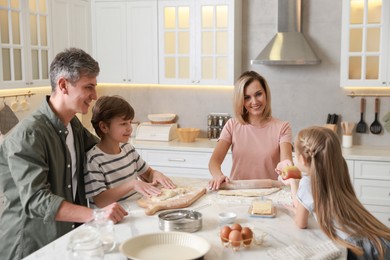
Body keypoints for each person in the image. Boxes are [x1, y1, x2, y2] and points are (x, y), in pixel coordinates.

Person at [0, 48, 127, 260]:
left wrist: (148, 175)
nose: (95, 96)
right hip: (28, 247)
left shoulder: (73, 126)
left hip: (66, 239)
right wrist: (96, 214)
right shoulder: (29, 134)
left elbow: (103, 155)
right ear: (63, 85)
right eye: (89, 87)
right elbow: (36, 200)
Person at [283, 126, 390, 259]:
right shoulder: (339, 171)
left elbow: (300, 223)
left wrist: (294, 185)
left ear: (303, 159)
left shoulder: (307, 182)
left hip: (356, 248)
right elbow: (311, 202)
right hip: (377, 240)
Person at [84, 95, 176, 208]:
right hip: (111, 220)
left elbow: (148, 174)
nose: (130, 128)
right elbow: (101, 200)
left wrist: (155, 174)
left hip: (135, 210)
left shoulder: (128, 150)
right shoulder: (93, 160)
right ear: (104, 127)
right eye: (123, 124)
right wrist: (132, 184)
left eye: (130, 122)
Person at [208, 71, 293, 190]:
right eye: (247, 97)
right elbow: (214, 162)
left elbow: (286, 163)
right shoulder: (232, 125)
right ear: (241, 101)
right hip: (237, 191)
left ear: (266, 94)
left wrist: (287, 169)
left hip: (271, 193)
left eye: (258, 94)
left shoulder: (282, 127)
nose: (254, 102)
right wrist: (218, 176)